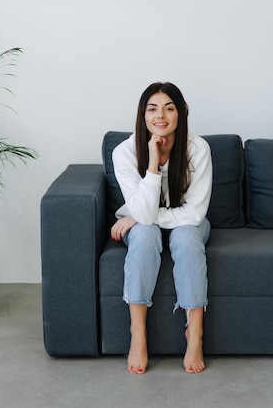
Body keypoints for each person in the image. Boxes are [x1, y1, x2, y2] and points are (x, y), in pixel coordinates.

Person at [111, 82, 213, 374]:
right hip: (142, 223)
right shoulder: (125, 152)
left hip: (188, 223)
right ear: (142, 115)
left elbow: (194, 214)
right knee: (143, 235)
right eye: (152, 109)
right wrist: (153, 164)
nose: (161, 116)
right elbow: (143, 217)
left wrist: (138, 217)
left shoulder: (198, 149)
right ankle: (138, 335)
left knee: (185, 239)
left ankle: (194, 334)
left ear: (182, 112)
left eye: (169, 108)